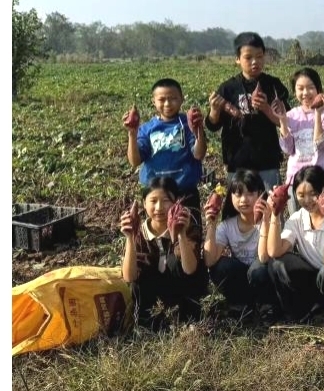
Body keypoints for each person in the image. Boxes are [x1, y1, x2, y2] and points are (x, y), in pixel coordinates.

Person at [263, 165, 324, 334]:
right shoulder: (298, 218)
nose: (307, 201)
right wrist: (275, 215)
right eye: (301, 195)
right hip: (315, 279)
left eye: (313, 194)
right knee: (278, 263)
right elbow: (274, 251)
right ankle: (299, 312)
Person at [119, 177, 208, 330]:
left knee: (176, 261)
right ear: (144, 203)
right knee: (138, 282)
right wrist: (130, 238)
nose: (159, 207)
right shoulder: (139, 232)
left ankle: (188, 319)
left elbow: (190, 269)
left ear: (176, 203)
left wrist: (181, 235)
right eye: (153, 201)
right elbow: (129, 277)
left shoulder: (189, 227)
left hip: (181, 292)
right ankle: (148, 323)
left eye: (166, 201)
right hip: (154, 298)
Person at [205, 31, 290, 190]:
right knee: (240, 207)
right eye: (248, 57)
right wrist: (215, 110)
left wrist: (266, 108)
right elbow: (212, 126)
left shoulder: (273, 86)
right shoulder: (228, 88)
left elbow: (286, 121)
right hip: (237, 161)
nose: (254, 62)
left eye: (259, 56)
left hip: (267, 160)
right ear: (237, 59)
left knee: (269, 207)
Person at [123, 78, 207, 224]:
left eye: (173, 98)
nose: (168, 104)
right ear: (153, 101)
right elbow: (135, 161)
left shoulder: (188, 125)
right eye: (162, 99)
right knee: (161, 239)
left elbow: (199, 154)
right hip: (157, 196)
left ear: (181, 99)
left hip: (185, 192)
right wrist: (132, 133)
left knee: (188, 239)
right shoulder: (147, 129)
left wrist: (198, 129)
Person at [202, 169, 278, 321]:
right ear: (230, 197)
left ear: (260, 194)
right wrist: (211, 224)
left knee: (258, 269)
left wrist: (266, 221)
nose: (244, 199)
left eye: (250, 193)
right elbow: (209, 261)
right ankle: (241, 304)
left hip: (264, 277)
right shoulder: (227, 226)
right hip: (243, 278)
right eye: (238, 194)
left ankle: (267, 306)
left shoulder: (271, 220)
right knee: (220, 267)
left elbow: (263, 257)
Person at [277, 67, 324, 215]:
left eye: (311, 88)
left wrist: (318, 113)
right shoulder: (291, 115)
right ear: (295, 91)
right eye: (300, 88)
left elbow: (320, 143)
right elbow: (287, 149)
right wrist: (283, 122)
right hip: (296, 182)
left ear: (319, 89)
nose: (305, 93)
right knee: (299, 226)